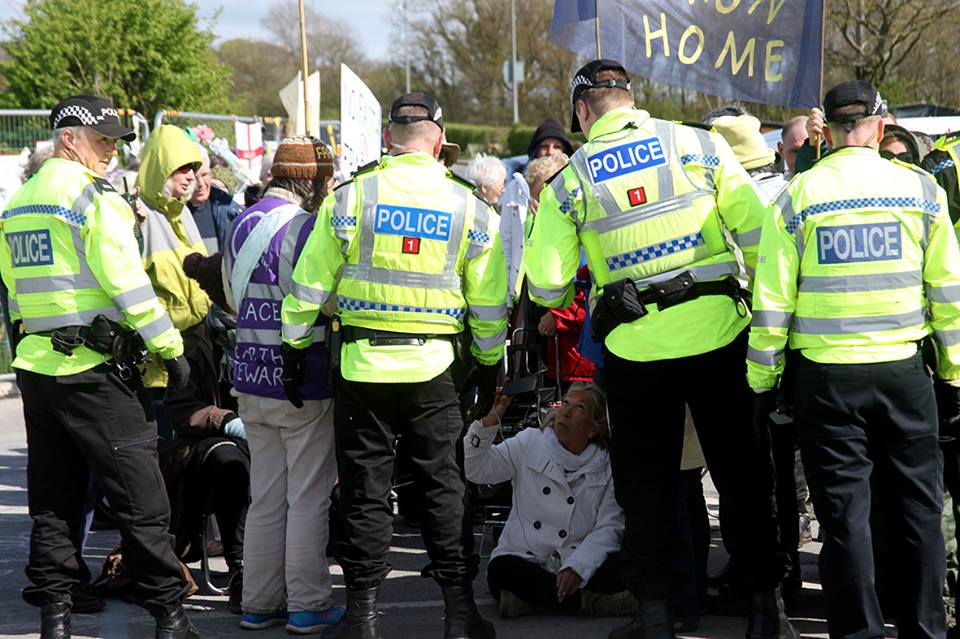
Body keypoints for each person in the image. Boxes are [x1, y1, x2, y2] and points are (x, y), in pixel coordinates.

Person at [524, 59, 791, 639]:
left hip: (636, 352)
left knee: (646, 488)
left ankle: (657, 618)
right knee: (743, 476)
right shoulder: (697, 144)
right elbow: (759, 236)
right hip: (719, 334)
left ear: (581, 110)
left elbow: (546, 284)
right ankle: (766, 610)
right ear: (631, 98)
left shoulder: (571, 180)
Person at [280, 91, 507, 639]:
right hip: (435, 371)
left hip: (362, 367)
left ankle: (362, 619)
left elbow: (309, 283)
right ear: (439, 139)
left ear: (388, 138)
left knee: (365, 494)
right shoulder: (470, 205)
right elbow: (490, 302)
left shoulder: (352, 197)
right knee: (443, 490)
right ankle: (459, 616)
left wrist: (292, 346)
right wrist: (486, 361)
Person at [747, 80, 958, 639]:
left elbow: (772, 303)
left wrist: (762, 382)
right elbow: (949, 292)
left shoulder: (796, 196)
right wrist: (955, 374)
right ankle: (926, 631)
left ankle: (859, 634)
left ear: (831, 131)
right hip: (904, 373)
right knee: (918, 511)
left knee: (845, 517)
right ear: (881, 127)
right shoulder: (920, 191)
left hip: (827, 380)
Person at [0, 95, 200, 638]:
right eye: (102, 139)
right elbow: (128, 284)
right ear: (69, 138)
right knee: (142, 502)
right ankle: (171, 619)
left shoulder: (20, 202)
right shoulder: (93, 197)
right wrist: (171, 349)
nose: (111, 151)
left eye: (116, 141)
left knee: (54, 501)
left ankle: (56, 618)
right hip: (95, 372)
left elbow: (16, 291)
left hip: (39, 370)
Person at [220, 136, 345, 634]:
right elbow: (329, 302)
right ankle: (308, 604)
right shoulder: (310, 229)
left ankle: (258, 602)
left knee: (266, 496)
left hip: (249, 375)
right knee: (309, 497)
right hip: (303, 378)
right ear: (312, 182)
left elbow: (231, 298)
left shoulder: (239, 223)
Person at [464, 384, 630, 618]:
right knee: (502, 571)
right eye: (565, 403)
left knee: (628, 563)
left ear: (593, 429)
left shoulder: (606, 465)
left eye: (579, 408)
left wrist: (577, 568)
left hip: (577, 556)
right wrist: (490, 420)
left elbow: (609, 527)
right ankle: (586, 603)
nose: (566, 412)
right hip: (527, 557)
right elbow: (476, 470)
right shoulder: (530, 442)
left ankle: (531, 601)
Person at [188, 144, 242, 255]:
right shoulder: (172, 215)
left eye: (204, 175)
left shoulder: (230, 211)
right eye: (195, 177)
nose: (201, 184)